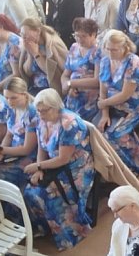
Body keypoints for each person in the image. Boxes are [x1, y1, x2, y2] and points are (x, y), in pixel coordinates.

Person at [23, 89, 93, 250]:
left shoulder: (69, 124)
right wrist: (39, 169)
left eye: (44, 110)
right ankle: (48, 228)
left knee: (49, 193)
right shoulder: (42, 120)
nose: (40, 114)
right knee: (30, 190)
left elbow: (63, 159)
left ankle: (72, 236)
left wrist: (39, 166)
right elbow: (42, 148)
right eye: (38, 111)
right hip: (53, 165)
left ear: (56, 107)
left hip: (76, 168)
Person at [96, 29, 139, 175]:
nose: (110, 53)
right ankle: (121, 165)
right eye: (107, 49)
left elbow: (125, 95)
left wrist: (104, 103)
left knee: (115, 134)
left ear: (125, 47)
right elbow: (103, 90)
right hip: (112, 104)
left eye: (114, 50)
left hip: (136, 106)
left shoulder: (134, 64)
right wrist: (105, 114)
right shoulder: (105, 61)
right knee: (97, 130)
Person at [0, 77, 37, 190]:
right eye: (6, 98)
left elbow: (27, 149)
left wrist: (0, 150)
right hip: (12, 152)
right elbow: (9, 134)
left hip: (29, 156)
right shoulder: (12, 108)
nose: (10, 101)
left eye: (13, 98)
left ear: (24, 94)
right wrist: (1, 152)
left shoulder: (31, 113)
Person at [62, 18, 102, 122]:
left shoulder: (98, 51)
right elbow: (65, 74)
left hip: (89, 100)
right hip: (73, 95)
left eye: (83, 36)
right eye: (76, 36)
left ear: (93, 34)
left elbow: (97, 81)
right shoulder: (74, 47)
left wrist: (72, 83)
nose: (79, 39)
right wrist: (67, 87)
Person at [17, 17, 68, 95]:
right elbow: (27, 72)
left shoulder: (53, 44)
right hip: (34, 88)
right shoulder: (29, 43)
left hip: (51, 89)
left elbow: (52, 72)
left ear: (37, 31)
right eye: (21, 34)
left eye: (25, 34)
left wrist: (36, 55)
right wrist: (31, 54)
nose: (23, 38)